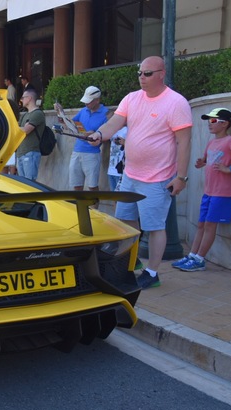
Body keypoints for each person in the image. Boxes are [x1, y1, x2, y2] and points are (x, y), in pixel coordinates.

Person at [88, 56, 193, 289]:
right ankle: (132, 260)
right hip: (130, 175)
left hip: (158, 179)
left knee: (155, 227)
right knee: (125, 220)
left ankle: (152, 272)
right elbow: (114, 124)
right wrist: (99, 135)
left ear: (161, 73)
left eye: (147, 74)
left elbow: (184, 143)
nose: (141, 78)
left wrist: (181, 177)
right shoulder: (132, 98)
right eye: (139, 73)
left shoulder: (176, 103)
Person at [171, 108, 231, 272]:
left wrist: (230, 169)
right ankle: (192, 255)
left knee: (210, 226)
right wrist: (201, 162)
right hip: (209, 191)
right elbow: (206, 159)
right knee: (201, 224)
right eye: (208, 121)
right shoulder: (212, 142)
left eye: (213, 121)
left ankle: (200, 259)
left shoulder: (230, 140)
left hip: (222, 193)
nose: (209, 124)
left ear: (224, 124)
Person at [65, 86, 108, 192]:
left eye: (89, 102)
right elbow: (73, 124)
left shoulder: (106, 114)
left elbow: (107, 135)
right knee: (76, 185)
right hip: (77, 151)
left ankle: (94, 208)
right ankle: (78, 207)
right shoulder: (83, 111)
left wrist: (94, 134)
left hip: (92, 154)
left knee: (92, 186)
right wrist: (63, 119)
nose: (86, 104)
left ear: (97, 100)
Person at [15, 89, 45, 181]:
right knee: (22, 185)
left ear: (29, 98)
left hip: (30, 153)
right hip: (20, 153)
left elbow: (26, 130)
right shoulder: (25, 115)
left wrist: (19, 128)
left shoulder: (37, 114)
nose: (22, 100)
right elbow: (18, 130)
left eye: (23, 98)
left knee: (30, 184)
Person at [108, 126, 127, 191]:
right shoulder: (112, 129)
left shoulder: (127, 129)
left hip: (121, 171)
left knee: (121, 197)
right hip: (111, 169)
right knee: (114, 197)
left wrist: (124, 142)